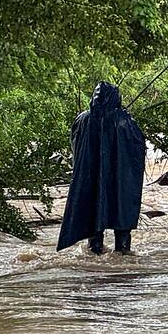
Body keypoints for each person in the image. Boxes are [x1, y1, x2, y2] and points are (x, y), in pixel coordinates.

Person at [57, 82, 145, 254]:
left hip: (91, 179)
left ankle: (95, 253)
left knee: (94, 217)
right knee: (122, 221)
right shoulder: (124, 120)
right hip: (120, 182)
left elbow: (75, 147)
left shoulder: (83, 119)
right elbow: (138, 147)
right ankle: (123, 257)